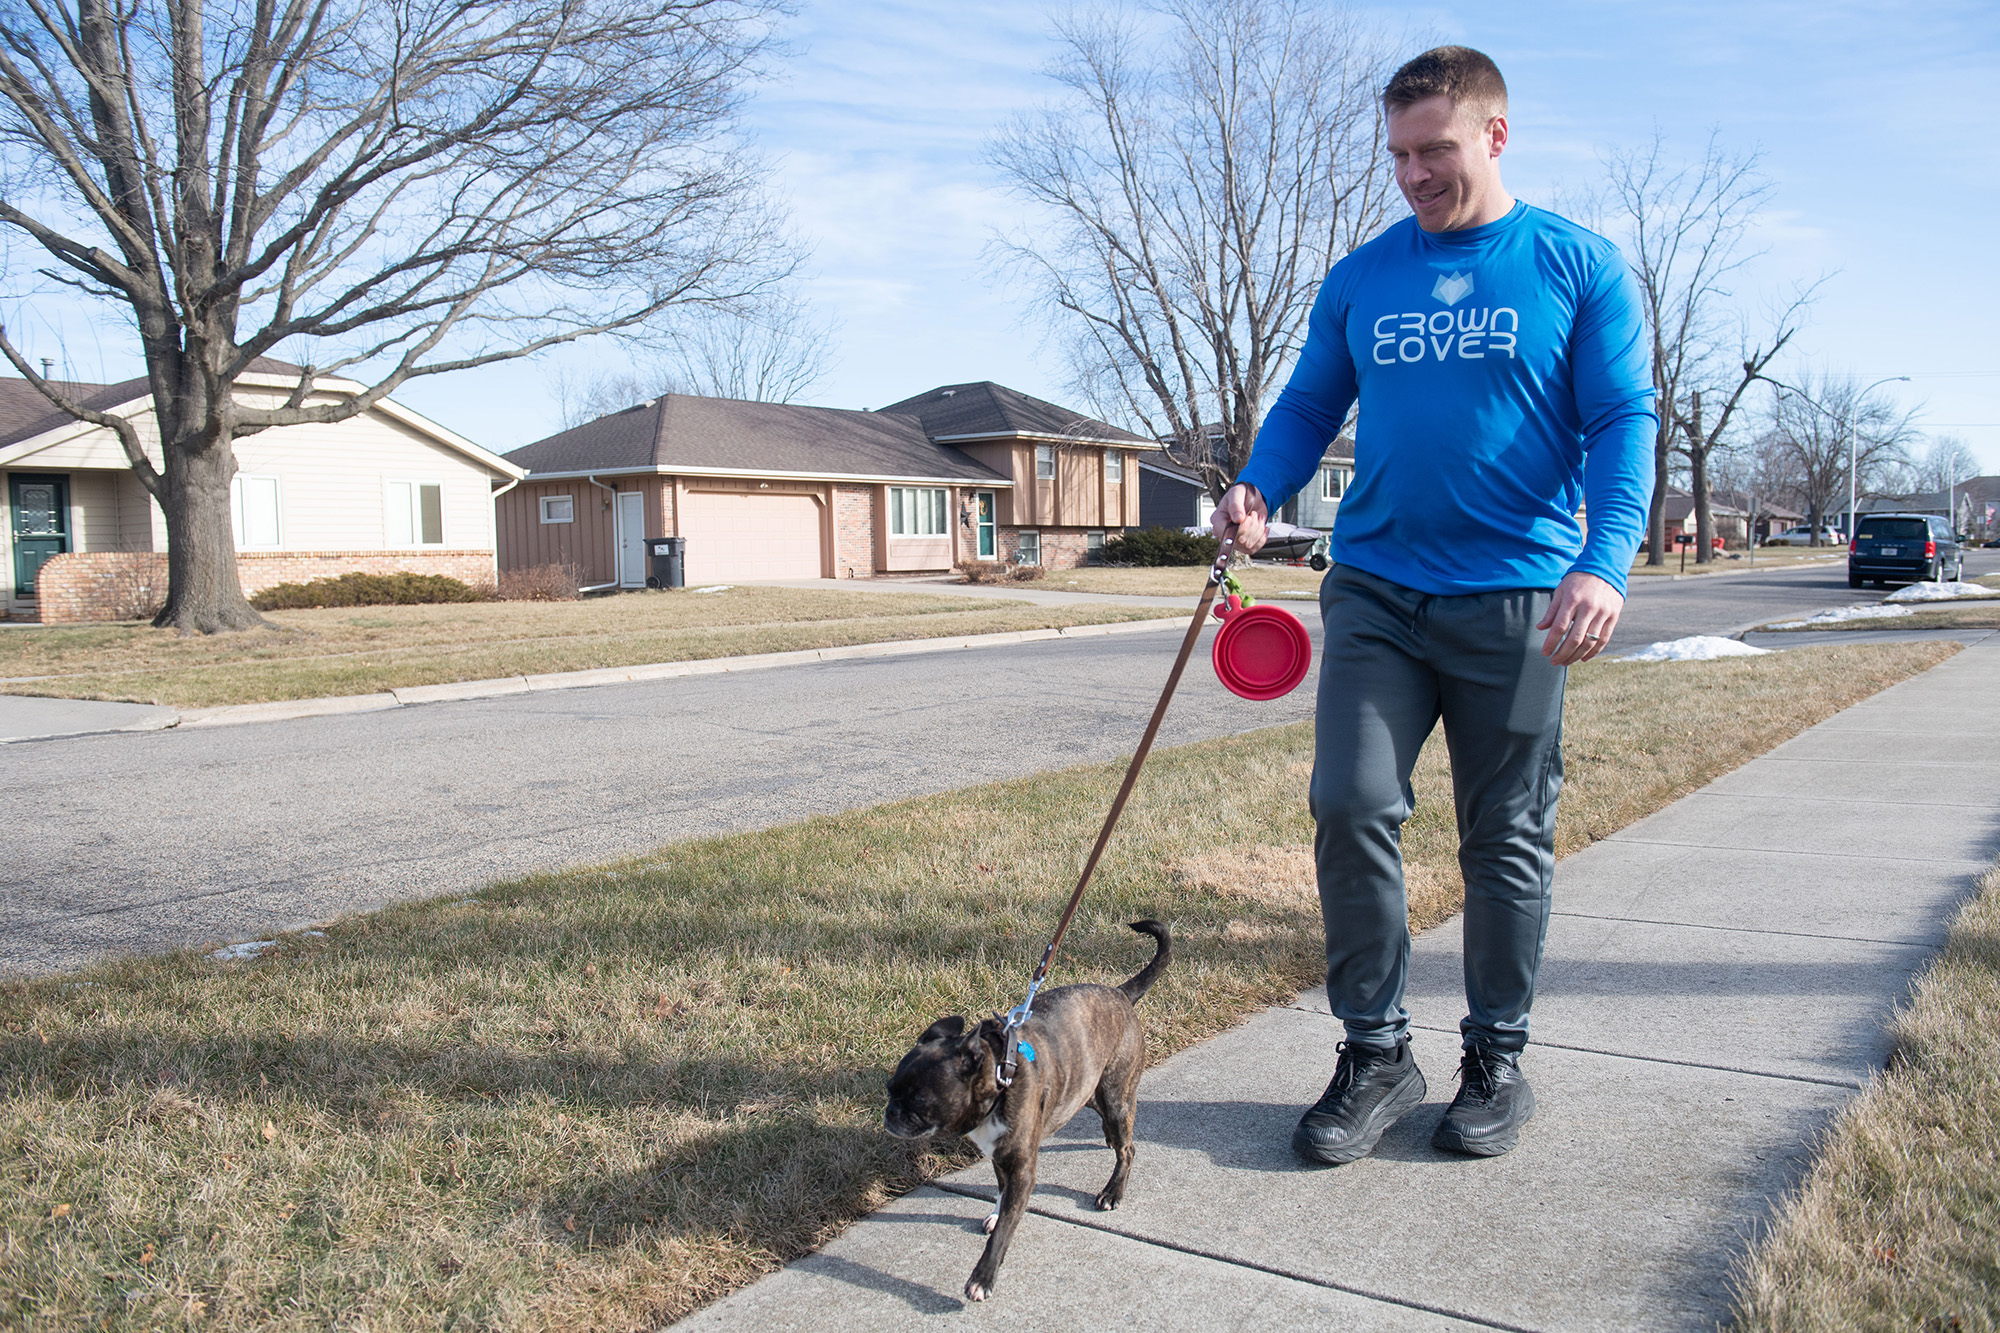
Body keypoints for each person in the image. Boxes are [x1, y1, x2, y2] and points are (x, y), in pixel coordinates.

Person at [1213, 46, 1655, 1163]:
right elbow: (1313, 395)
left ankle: (1494, 1060)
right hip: (1374, 588)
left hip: (1518, 598)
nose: (1412, 174)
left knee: (1503, 836)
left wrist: (1601, 561)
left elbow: (1621, 423)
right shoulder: (1364, 274)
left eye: (1434, 150)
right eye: (1399, 153)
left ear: (1494, 136)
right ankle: (1374, 1053)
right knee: (1349, 802)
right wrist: (1259, 485)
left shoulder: (1575, 265)